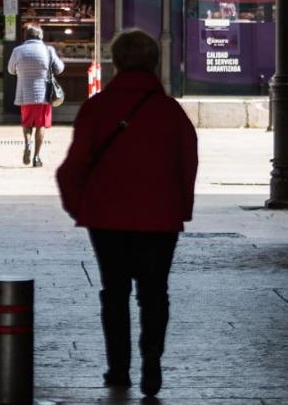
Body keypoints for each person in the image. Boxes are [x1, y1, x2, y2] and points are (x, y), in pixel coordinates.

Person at [55, 29, 198, 397]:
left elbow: (72, 168)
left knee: (114, 292)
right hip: (159, 219)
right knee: (154, 293)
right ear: (154, 62)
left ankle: (118, 370)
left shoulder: (97, 108)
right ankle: (152, 361)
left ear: (115, 62)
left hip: (107, 218)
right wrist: (180, 208)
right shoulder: (170, 111)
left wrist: (81, 206)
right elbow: (188, 164)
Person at [7, 23, 64, 167]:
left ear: (26, 36)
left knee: (27, 123)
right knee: (41, 125)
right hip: (44, 95)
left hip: (25, 94)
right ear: (41, 36)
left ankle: (27, 144)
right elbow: (59, 69)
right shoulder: (48, 49)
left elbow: (11, 70)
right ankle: (36, 157)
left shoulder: (18, 50)